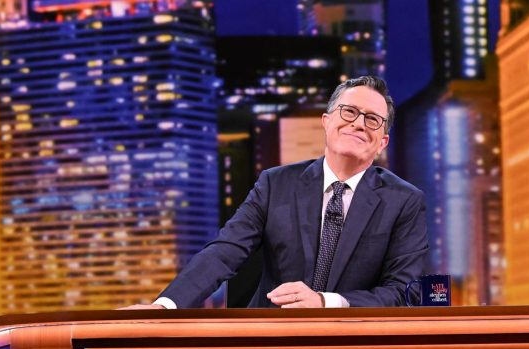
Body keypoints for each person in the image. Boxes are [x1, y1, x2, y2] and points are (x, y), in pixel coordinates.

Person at [122, 75, 429, 310]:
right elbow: (224, 251)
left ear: (382, 142)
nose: (359, 124)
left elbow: (404, 291)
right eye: (349, 112)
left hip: (352, 345)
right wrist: (165, 306)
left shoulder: (404, 201)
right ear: (326, 121)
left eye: (372, 119)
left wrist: (326, 301)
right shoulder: (275, 184)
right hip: (271, 339)